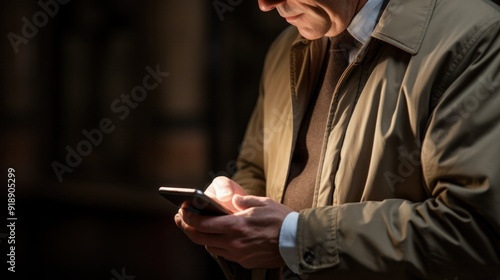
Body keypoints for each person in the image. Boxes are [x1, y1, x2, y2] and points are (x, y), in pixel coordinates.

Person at [175, 0, 500, 279]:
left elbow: (475, 232)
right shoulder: (286, 49)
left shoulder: (475, 40)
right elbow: (255, 167)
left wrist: (296, 237)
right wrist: (232, 209)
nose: (264, 4)